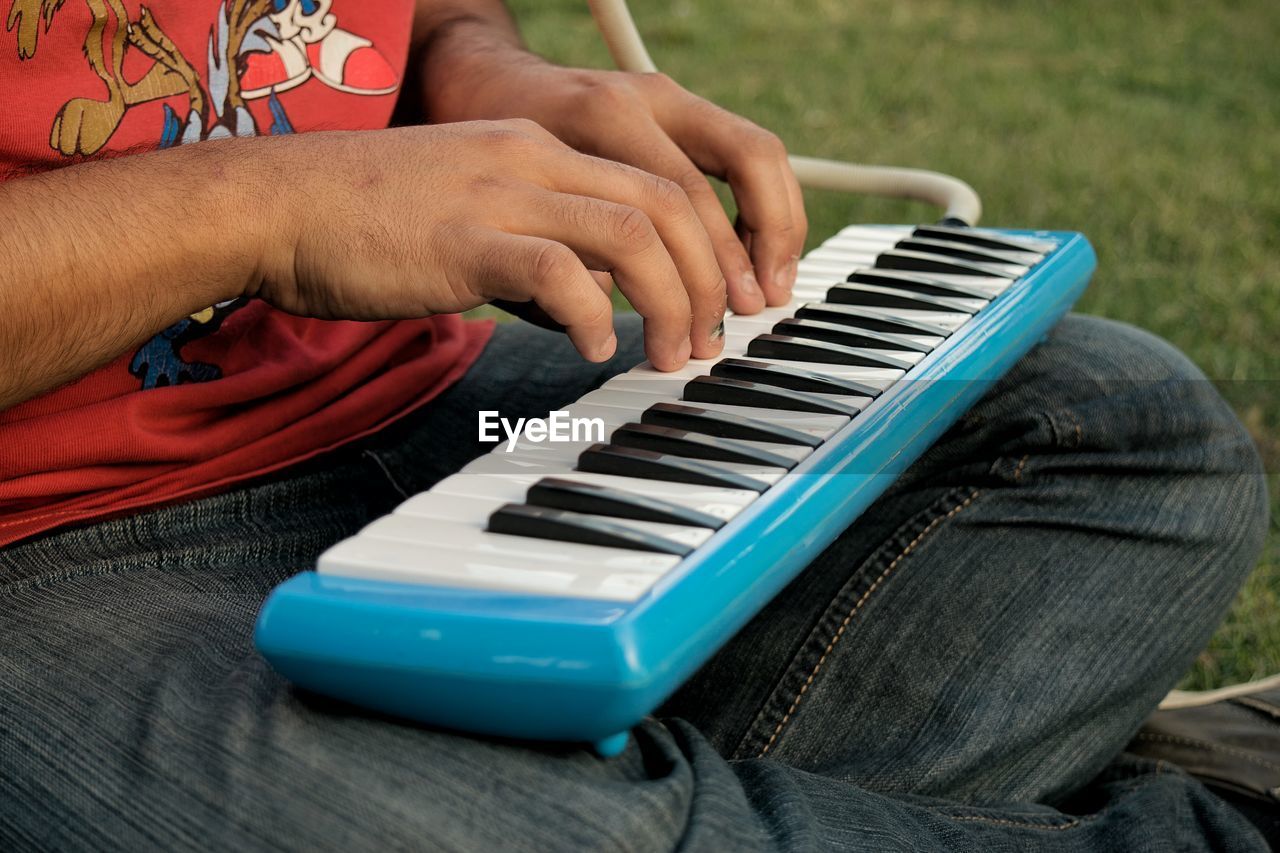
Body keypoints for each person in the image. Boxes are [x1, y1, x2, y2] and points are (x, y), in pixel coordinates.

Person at [0, 1, 1271, 850]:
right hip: (44, 549)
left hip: (466, 406)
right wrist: (258, 210)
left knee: (1105, 425)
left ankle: (635, 789)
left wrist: (475, 65)